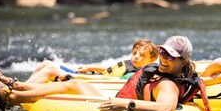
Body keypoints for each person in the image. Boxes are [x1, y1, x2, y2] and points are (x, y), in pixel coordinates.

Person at [0, 36, 210, 111]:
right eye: (162, 52)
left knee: (73, 85)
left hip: (121, 108)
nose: (163, 58)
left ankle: (12, 97)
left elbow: (164, 110)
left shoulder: (169, 85)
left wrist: (126, 104)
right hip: (120, 102)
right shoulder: (169, 71)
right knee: (74, 83)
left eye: (170, 56)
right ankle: (14, 92)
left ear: (182, 61)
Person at [25, 39, 158, 83]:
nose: (136, 57)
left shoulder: (138, 73)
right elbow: (109, 70)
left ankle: (20, 89)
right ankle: (23, 86)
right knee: (46, 63)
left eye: (142, 56)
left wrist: (78, 76)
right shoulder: (128, 64)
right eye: (135, 53)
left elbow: (113, 80)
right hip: (91, 76)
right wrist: (90, 68)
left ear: (151, 60)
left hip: (89, 82)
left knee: (52, 69)